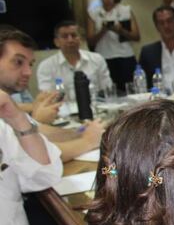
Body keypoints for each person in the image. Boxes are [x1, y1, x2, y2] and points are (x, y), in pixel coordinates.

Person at [0, 28, 71, 225]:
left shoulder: (4, 125)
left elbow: (43, 175)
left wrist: (17, 119)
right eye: (18, 62)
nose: (28, 71)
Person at [2, 28, 105, 164]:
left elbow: (39, 132)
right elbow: (32, 155)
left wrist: (82, 132)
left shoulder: (7, 101)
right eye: (18, 62)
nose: (28, 72)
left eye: (30, 64)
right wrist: (88, 141)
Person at [37, 21, 113, 100]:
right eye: (65, 36)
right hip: (62, 110)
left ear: (80, 39)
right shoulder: (46, 66)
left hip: (95, 108)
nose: (70, 40)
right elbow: (46, 97)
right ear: (56, 42)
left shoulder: (97, 59)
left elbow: (108, 90)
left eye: (74, 35)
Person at [86, 0, 140, 92]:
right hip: (104, 57)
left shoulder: (125, 10)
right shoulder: (93, 13)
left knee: (130, 89)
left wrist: (120, 30)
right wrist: (103, 30)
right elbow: (90, 41)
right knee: (109, 91)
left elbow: (136, 36)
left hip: (125, 56)